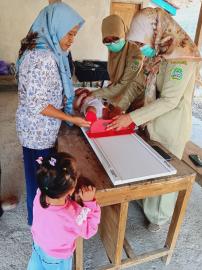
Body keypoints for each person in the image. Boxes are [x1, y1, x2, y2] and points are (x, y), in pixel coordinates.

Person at [107, 8, 201, 231]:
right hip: (151, 119)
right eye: (138, 45)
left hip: (171, 126)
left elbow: (169, 101)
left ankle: (159, 217)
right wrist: (120, 107)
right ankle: (146, 201)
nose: (140, 49)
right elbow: (139, 83)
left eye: (141, 43)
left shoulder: (182, 58)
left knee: (166, 172)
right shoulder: (159, 54)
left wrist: (130, 117)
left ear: (155, 33)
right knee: (149, 164)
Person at [16, 2, 90, 225]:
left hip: (34, 129)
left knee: (36, 175)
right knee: (41, 181)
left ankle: (37, 218)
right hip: (37, 132)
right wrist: (71, 118)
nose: (71, 39)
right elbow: (38, 103)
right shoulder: (44, 58)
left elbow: (48, 89)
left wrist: (72, 97)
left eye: (74, 35)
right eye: (69, 33)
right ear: (55, 27)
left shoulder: (45, 49)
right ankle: (39, 224)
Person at [27, 152, 100, 270]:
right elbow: (89, 230)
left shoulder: (40, 193)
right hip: (57, 260)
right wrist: (90, 202)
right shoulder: (73, 214)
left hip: (38, 247)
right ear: (71, 191)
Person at [90, 14, 146, 113]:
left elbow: (126, 84)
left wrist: (95, 94)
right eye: (107, 40)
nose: (111, 43)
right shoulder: (114, 52)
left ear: (123, 33)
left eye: (115, 38)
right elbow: (116, 82)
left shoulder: (136, 51)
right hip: (122, 98)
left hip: (137, 101)